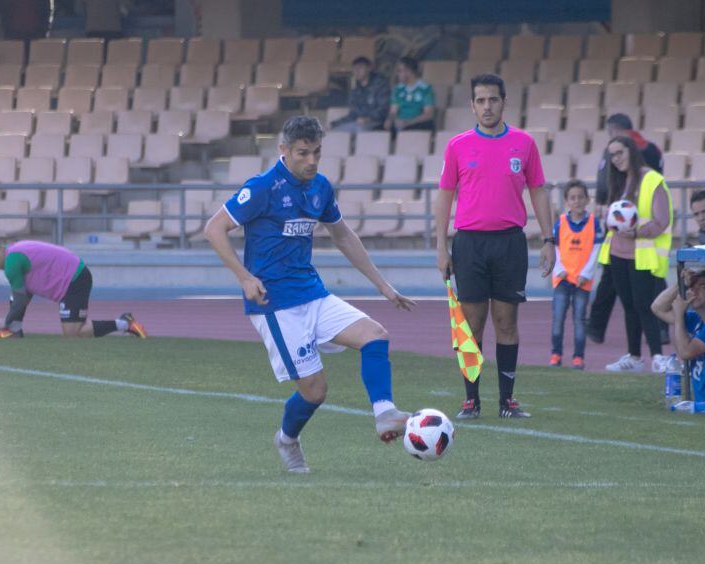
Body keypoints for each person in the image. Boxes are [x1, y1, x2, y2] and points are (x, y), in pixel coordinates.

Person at [203, 115, 416, 474]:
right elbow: (214, 229)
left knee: (375, 335)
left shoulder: (320, 187)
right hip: (275, 304)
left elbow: (344, 236)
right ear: (284, 150)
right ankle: (287, 439)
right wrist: (244, 277)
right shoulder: (262, 188)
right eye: (303, 153)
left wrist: (383, 286)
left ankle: (385, 414)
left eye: (317, 152)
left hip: (312, 293)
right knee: (316, 392)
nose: (312, 161)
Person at [434, 73, 554, 420]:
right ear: (472, 106)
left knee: (507, 322)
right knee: (471, 326)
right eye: (481, 101)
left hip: (510, 243)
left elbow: (538, 190)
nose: (487, 106)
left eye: (493, 100)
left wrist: (548, 240)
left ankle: (507, 401)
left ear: (504, 102)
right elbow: (444, 196)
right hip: (469, 243)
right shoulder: (457, 145)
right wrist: (441, 247)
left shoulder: (524, 143)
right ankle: (471, 400)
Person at [587, 113, 665, 345]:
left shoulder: (614, 154)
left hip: (634, 231)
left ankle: (596, 327)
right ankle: (660, 330)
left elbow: (604, 182)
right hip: (640, 232)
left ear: (615, 131)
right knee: (652, 283)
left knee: (616, 284)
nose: (616, 157)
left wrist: (605, 206)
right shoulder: (654, 150)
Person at [599, 136, 674, 373]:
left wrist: (637, 232)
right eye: (612, 155)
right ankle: (634, 356)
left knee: (644, 305)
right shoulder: (617, 181)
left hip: (642, 254)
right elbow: (612, 215)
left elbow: (662, 220)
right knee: (629, 306)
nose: (616, 159)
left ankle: (658, 357)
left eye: (620, 153)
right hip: (617, 253)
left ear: (631, 151)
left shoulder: (652, 179)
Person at [0, 237, 147, 339]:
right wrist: (14, 326)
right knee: (19, 299)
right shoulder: (14, 252)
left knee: (73, 333)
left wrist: (7, 321)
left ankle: (125, 323)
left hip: (75, 279)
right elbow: (23, 297)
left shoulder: (11, 262)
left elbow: (19, 301)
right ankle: (13, 332)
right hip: (73, 276)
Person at [651, 269, 705, 402]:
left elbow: (686, 352)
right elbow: (658, 307)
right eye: (692, 287)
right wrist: (680, 284)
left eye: (703, 287)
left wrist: (679, 316)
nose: (695, 291)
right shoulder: (697, 318)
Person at [549, 180, 603, 370]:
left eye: (580, 197)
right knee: (558, 318)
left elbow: (596, 252)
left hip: (582, 281)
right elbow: (554, 249)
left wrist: (586, 274)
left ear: (587, 199)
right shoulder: (561, 223)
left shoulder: (594, 224)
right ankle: (556, 354)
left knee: (580, 320)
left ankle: (578, 357)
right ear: (567, 201)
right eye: (572, 197)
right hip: (562, 279)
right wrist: (559, 269)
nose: (577, 201)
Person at [331, 57, 390, 133]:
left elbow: (383, 109)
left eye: (360, 68)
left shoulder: (381, 86)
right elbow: (352, 115)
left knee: (359, 129)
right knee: (334, 131)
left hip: (378, 124)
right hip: (358, 124)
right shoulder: (355, 91)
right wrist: (333, 124)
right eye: (354, 69)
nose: (357, 71)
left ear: (369, 68)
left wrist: (368, 119)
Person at [382, 57, 436, 134]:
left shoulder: (425, 89)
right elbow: (393, 111)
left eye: (400, 71)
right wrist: (389, 120)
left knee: (426, 125)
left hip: (417, 124)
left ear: (409, 71)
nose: (398, 74)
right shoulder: (398, 89)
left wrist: (408, 122)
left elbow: (428, 114)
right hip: (400, 124)